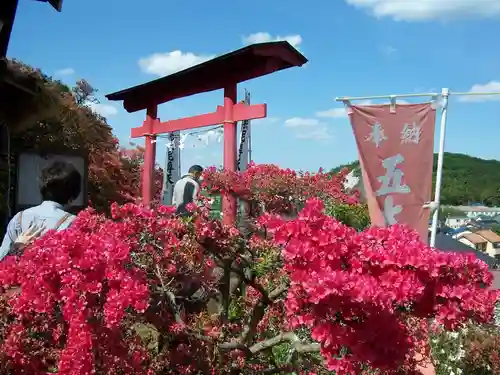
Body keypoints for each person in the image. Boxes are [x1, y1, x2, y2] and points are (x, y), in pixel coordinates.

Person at [0, 160, 82, 260]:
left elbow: (2, 261)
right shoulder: (74, 223)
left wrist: (16, 249)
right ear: (72, 198)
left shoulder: (19, 218)